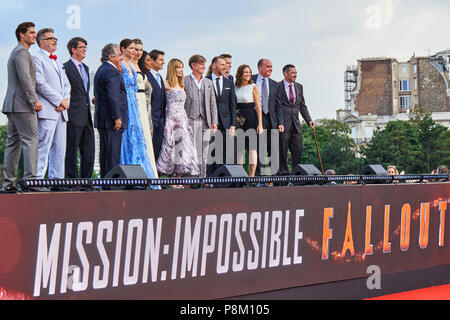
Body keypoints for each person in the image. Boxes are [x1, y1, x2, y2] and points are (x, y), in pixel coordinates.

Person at [2, 22, 43, 192]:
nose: (35, 35)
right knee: (31, 140)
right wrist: (34, 100)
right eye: (32, 33)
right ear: (21, 34)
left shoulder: (18, 52)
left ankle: (8, 184)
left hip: (14, 105)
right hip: (23, 105)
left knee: (14, 143)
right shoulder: (21, 53)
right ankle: (31, 180)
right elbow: (25, 78)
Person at [33, 27, 71, 179]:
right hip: (48, 110)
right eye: (51, 38)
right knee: (43, 147)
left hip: (62, 112)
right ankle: (37, 179)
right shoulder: (37, 58)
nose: (55, 41)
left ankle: (57, 180)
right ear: (42, 42)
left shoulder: (58, 60)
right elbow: (40, 83)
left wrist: (65, 100)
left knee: (60, 150)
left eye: (55, 38)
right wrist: (58, 100)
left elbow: (67, 84)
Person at [118, 39, 156, 181]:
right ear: (123, 49)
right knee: (130, 136)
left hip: (139, 103)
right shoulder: (121, 64)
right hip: (128, 102)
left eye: (137, 49)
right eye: (133, 49)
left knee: (141, 137)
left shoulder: (135, 65)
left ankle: (144, 172)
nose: (135, 52)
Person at [156, 59, 199, 181]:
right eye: (178, 67)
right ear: (172, 69)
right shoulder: (165, 83)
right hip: (171, 118)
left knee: (183, 147)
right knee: (171, 146)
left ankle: (179, 176)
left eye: (182, 67)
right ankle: (171, 176)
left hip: (182, 118)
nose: (181, 70)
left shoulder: (182, 85)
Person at [93, 43, 127, 178]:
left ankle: (105, 181)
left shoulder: (101, 69)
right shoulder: (111, 71)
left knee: (105, 154)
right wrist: (117, 117)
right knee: (112, 154)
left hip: (103, 119)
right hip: (111, 120)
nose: (121, 58)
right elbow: (113, 96)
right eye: (119, 55)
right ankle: (112, 184)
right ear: (111, 57)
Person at [63, 37, 95, 179]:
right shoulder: (65, 68)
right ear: (73, 49)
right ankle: (71, 181)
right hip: (73, 115)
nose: (84, 49)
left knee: (89, 151)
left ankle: (86, 181)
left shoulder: (86, 68)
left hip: (87, 116)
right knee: (71, 150)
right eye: (81, 47)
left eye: (85, 47)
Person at [277, 64, 314, 176]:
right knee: (282, 151)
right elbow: (276, 106)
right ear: (285, 74)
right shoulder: (278, 87)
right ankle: (283, 174)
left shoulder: (299, 87)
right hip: (283, 125)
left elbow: (302, 105)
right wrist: (279, 123)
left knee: (297, 150)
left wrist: (309, 120)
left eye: (296, 73)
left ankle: (296, 174)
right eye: (293, 73)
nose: (295, 75)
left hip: (296, 125)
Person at [184, 54, 218, 177]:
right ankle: (190, 178)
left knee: (204, 152)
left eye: (204, 63)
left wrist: (214, 121)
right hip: (189, 119)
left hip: (206, 121)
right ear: (193, 65)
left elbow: (213, 103)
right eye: (200, 63)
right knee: (190, 150)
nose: (204, 66)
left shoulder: (208, 82)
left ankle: (202, 178)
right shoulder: (185, 80)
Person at [130, 40, 158, 178]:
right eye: (135, 49)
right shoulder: (127, 66)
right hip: (136, 106)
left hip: (146, 108)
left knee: (147, 141)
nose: (138, 52)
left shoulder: (141, 69)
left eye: (140, 49)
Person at [252, 58, 284, 176]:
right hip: (256, 119)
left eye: (271, 66)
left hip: (272, 120)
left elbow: (278, 105)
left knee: (273, 148)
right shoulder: (251, 80)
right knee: (258, 147)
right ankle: (259, 176)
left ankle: (275, 176)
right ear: (260, 68)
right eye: (268, 66)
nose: (270, 69)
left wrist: (280, 122)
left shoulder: (275, 84)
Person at [206, 56, 237, 174]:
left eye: (226, 64)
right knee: (211, 153)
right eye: (222, 65)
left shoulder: (229, 82)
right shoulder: (206, 80)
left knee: (225, 154)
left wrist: (233, 124)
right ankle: (209, 181)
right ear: (214, 66)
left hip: (226, 124)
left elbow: (233, 105)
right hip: (210, 123)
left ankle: (224, 180)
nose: (226, 67)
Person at [234, 64, 264, 177]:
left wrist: (260, 124)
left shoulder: (254, 86)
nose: (248, 74)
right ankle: (241, 176)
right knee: (240, 149)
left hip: (251, 117)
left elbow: (258, 106)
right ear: (240, 73)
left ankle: (251, 177)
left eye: (249, 72)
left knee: (252, 148)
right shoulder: (234, 87)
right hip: (238, 119)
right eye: (245, 72)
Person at [147, 49, 167, 161]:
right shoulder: (147, 76)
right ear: (153, 61)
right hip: (151, 121)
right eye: (161, 60)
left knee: (157, 151)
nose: (163, 62)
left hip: (160, 121)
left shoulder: (159, 77)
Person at [138, 50, 154, 136]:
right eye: (148, 60)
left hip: (149, 112)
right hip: (141, 113)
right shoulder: (139, 77)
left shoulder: (148, 77)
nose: (151, 63)